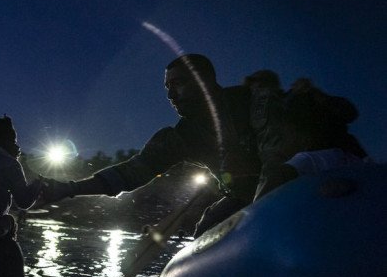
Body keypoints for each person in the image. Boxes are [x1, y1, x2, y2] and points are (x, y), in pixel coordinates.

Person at [42, 54, 262, 237]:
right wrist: (70, 188)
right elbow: (129, 174)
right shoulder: (183, 137)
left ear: (204, 82)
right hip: (244, 199)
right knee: (206, 229)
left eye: (178, 83)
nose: (170, 95)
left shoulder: (251, 102)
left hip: (282, 188)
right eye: (167, 86)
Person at [253, 80, 369, 199]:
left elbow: (350, 113)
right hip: (312, 158)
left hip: (342, 154)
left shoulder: (319, 100)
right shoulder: (285, 104)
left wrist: (315, 93)